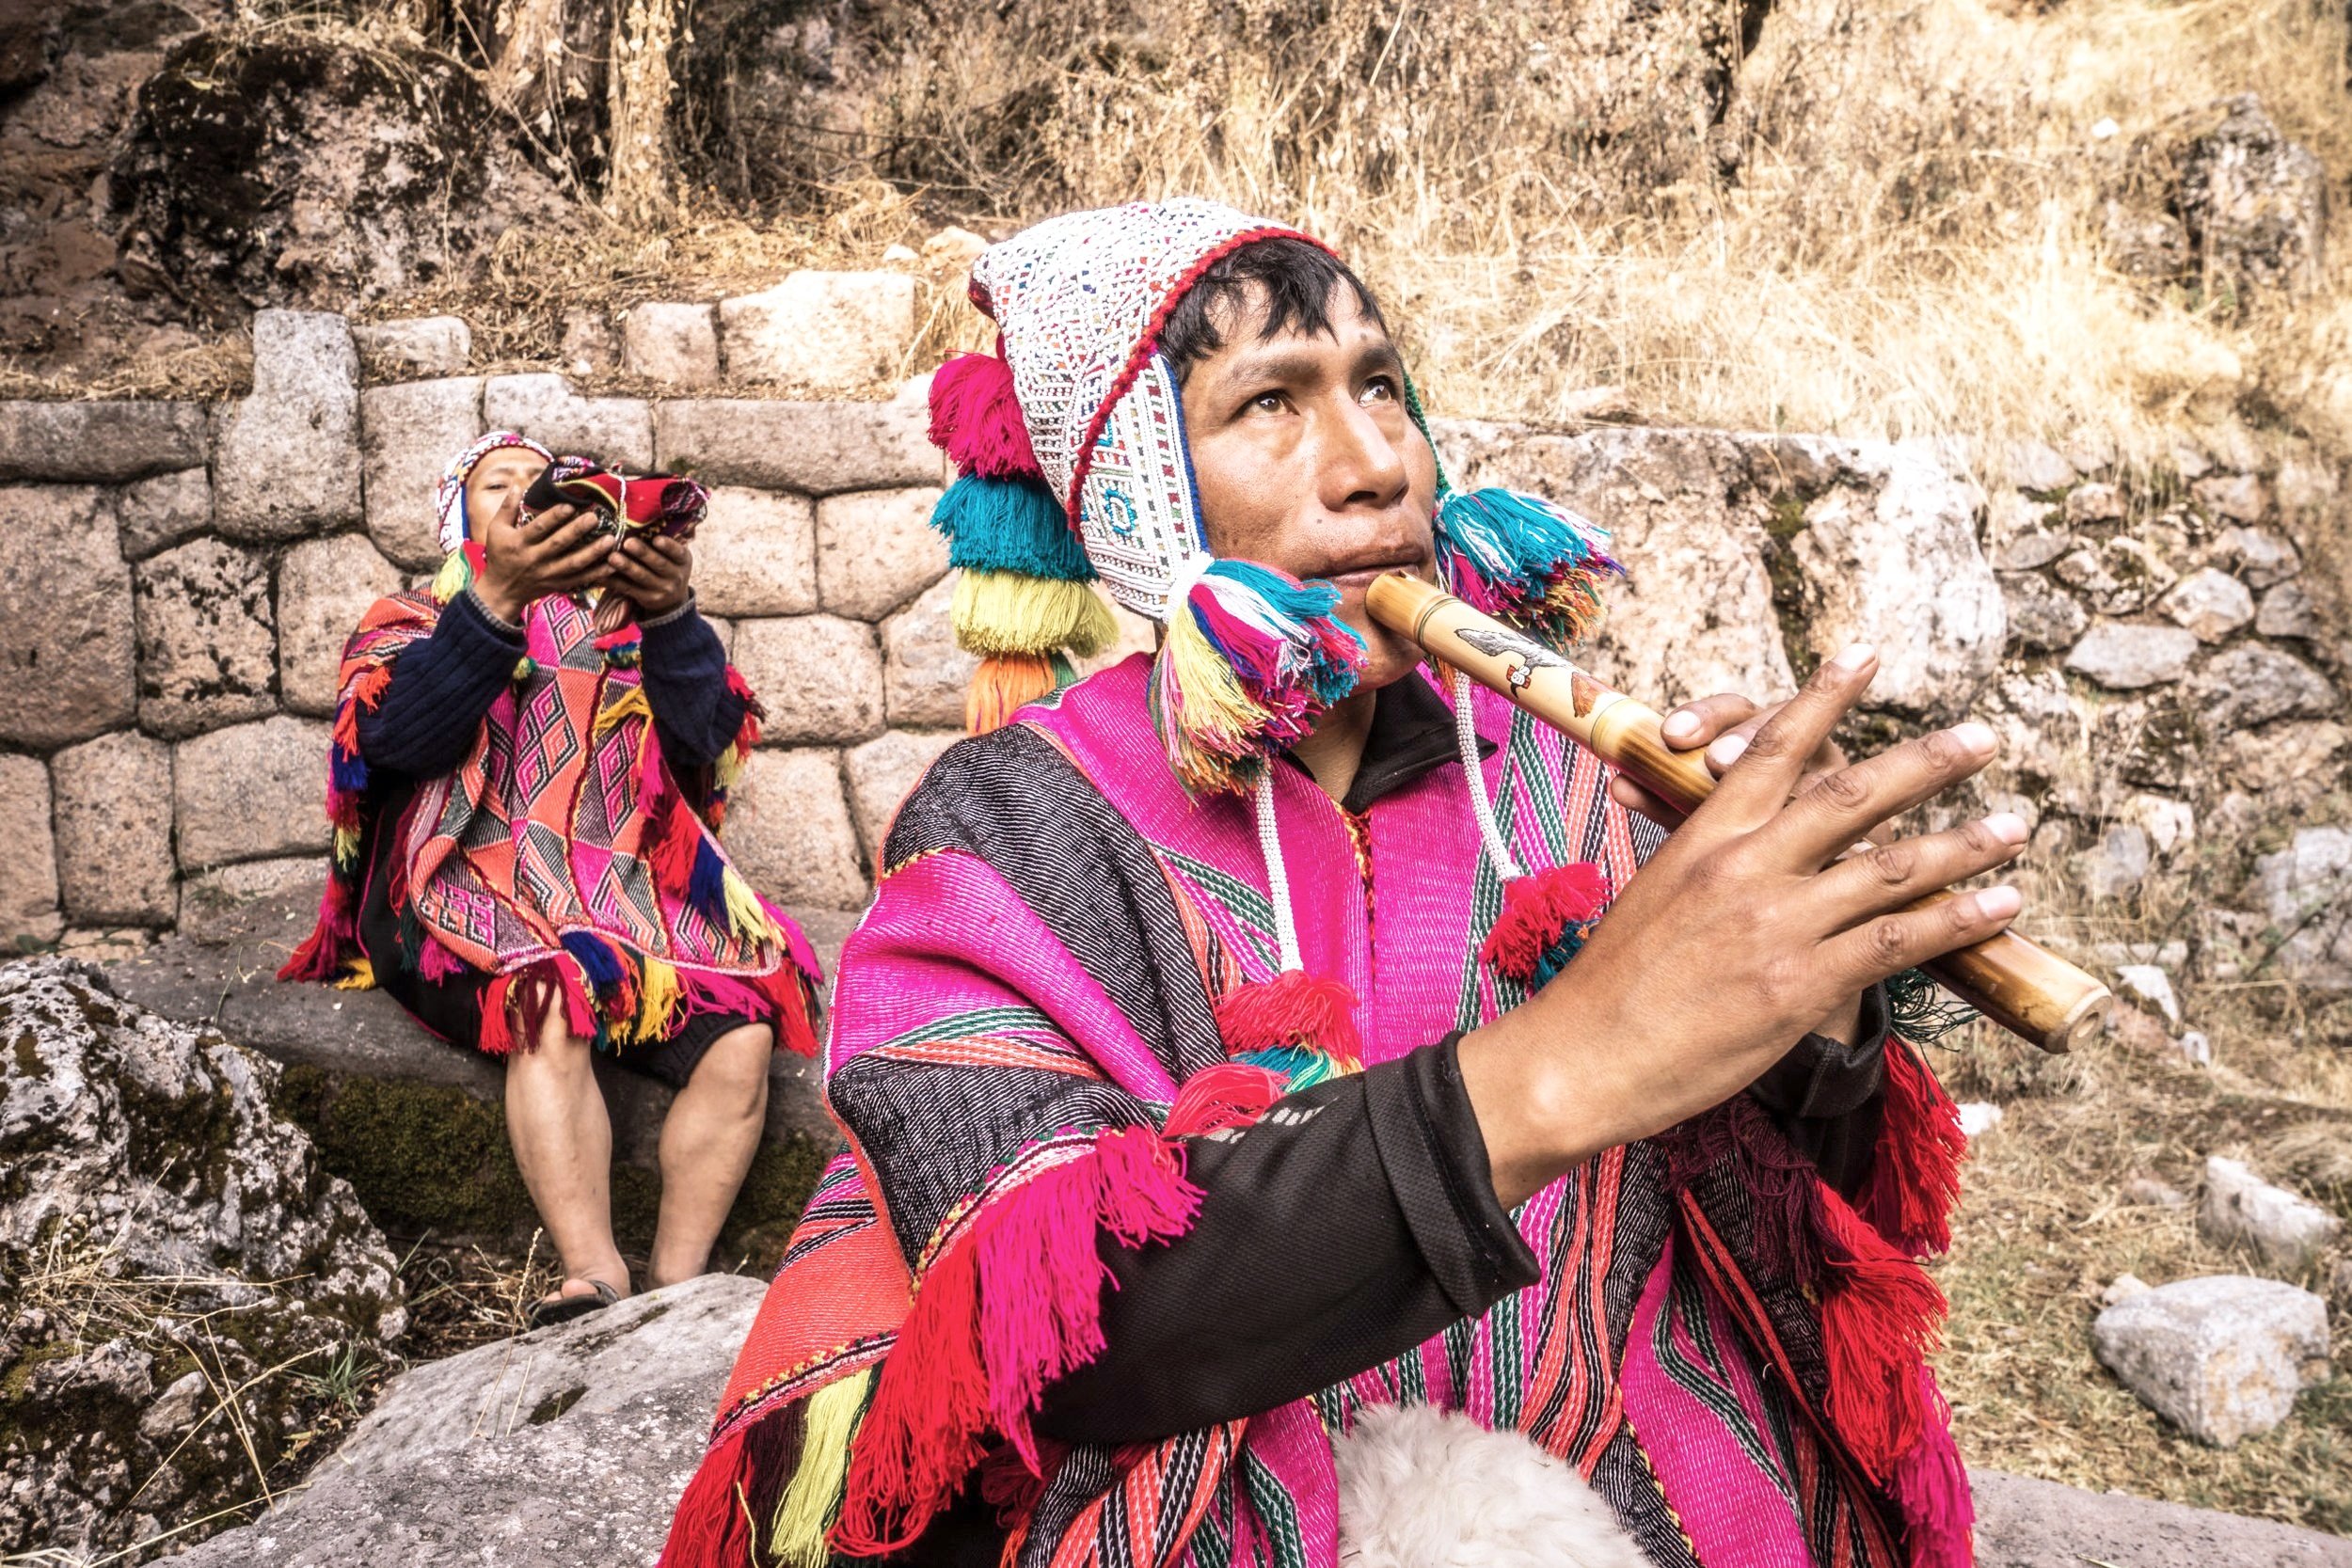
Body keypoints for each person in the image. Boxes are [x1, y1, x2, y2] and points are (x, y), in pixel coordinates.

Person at [659, 200, 2018, 1568]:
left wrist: (1813, 988)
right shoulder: (1006, 819)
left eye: (1380, 385)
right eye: (1270, 402)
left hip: (1632, 1482)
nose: (1376, 464)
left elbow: (1798, 1208)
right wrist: (1566, 1064)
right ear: (1143, 493)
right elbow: (1065, 1335)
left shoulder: (1561, 776)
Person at [280, 432, 823, 1325]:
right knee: (547, 993)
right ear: (462, 522)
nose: (527, 498)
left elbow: (705, 746)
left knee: (744, 1028)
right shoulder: (409, 620)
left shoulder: (624, 630)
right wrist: (495, 602)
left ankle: (679, 1291)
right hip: (459, 886)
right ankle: (594, 1276)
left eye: (546, 489)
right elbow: (396, 743)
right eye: (500, 487)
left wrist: (674, 614)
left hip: (616, 894)